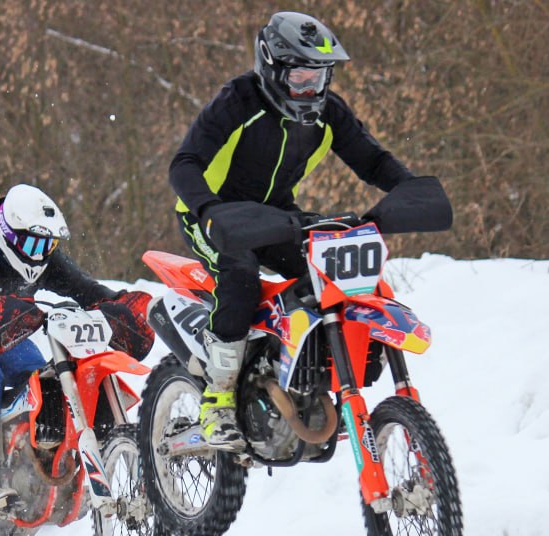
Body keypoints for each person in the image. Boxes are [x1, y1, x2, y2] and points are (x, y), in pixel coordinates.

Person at [168, 11, 415, 450]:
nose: (310, 89)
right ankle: (218, 398)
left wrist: (409, 188)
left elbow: (373, 161)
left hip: (277, 215)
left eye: (319, 78)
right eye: (301, 77)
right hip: (214, 214)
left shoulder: (328, 112)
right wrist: (207, 209)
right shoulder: (237, 102)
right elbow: (185, 163)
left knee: (329, 271)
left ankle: (303, 374)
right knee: (240, 273)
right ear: (272, 67)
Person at [0, 184, 146, 517]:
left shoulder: (45, 260)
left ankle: (28, 456)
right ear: (8, 234)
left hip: (0, 327)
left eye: (47, 245)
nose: (38, 253)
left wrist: (119, 303)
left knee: (42, 378)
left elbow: (85, 288)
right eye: (31, 243)